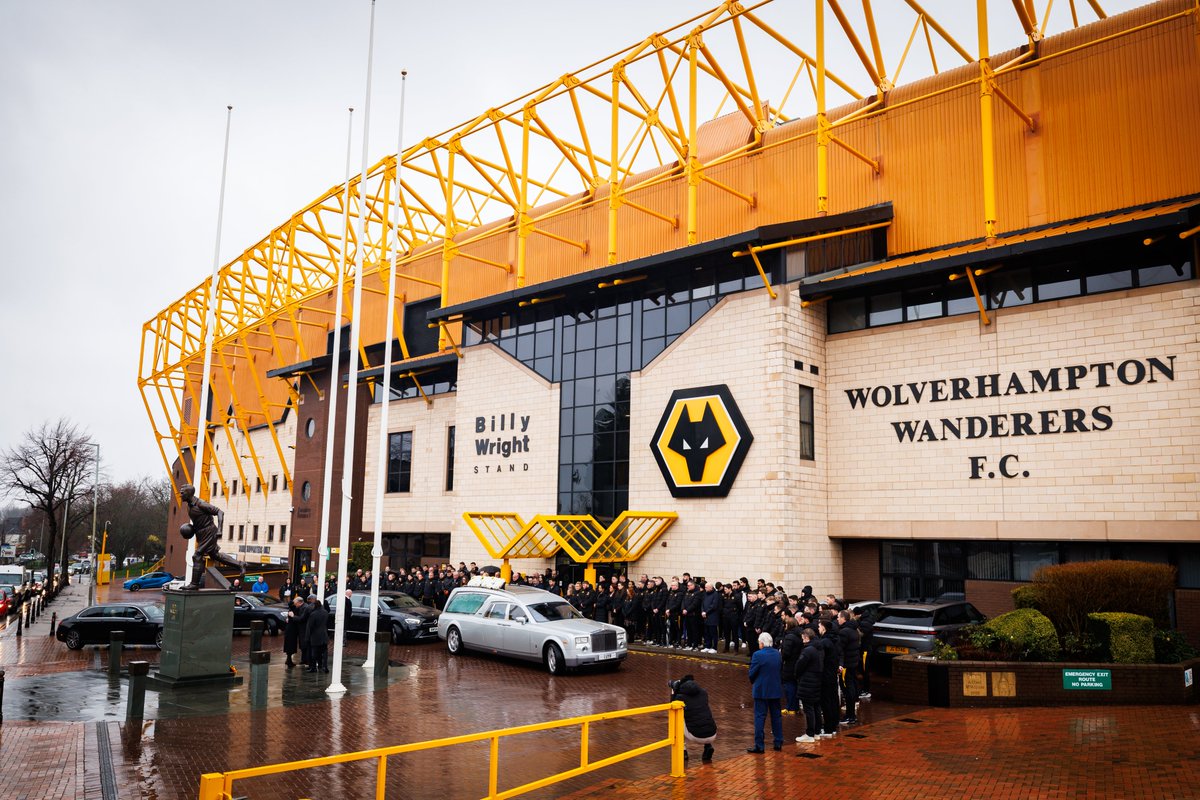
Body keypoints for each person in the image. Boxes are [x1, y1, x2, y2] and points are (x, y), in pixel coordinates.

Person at [177, 484, 245, 590]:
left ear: (189, 493)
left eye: (182, 493)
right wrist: (192, 530)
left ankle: (194, 584)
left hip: (209, 532)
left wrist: (220, 530)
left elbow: (220, 512)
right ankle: (240, 564)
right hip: (201, 533)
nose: (180, 495)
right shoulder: (189, 506)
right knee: (215, 555)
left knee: (197, 556)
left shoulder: (201, 504)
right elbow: (199, 521)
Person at [747, 632, 784, 753]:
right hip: (775, 689)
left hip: (761, 690)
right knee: (776, 717)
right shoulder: (777, 654)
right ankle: (778, 742)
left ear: (762, 643)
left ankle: (759, 745)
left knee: (759, 717)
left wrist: (754, 681)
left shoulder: (757, 655)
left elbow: (752, 673)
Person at [669, 674, 717, 763]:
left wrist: (674, 692)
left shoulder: (680, 698)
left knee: (676, 720)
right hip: (713, 734)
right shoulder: (704, 693)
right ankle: (708, 746)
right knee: (702, 716)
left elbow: (672, 707)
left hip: (696, 736)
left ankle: (683, 751)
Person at [793, 627, 825, 742]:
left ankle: (810, 734)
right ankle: (817, 732)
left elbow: (799, 665)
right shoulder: (819, 648)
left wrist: (797, 675)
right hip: (817, 681)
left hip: (807, 682)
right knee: (816, 706)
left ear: (806, 638)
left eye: (802, 638)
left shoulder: (808, 650)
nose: (802, 641)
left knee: (809, 708)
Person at [305, 594, 330, 673]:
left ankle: (313, 667)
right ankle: (324, 666)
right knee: (324, 651)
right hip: (324, 634)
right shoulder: (325, 612)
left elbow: (310, 626)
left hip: (315, 636)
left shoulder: (313, 614)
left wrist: (308, 636)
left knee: (314, 652)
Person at [283, 595, 305, 668]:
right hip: (292, 631)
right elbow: (297, 619)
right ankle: (289, 661)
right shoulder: (294, 610)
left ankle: (288, 660)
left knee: (289, 645)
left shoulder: (290, 610)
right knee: (291, 645)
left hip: (289, 630)